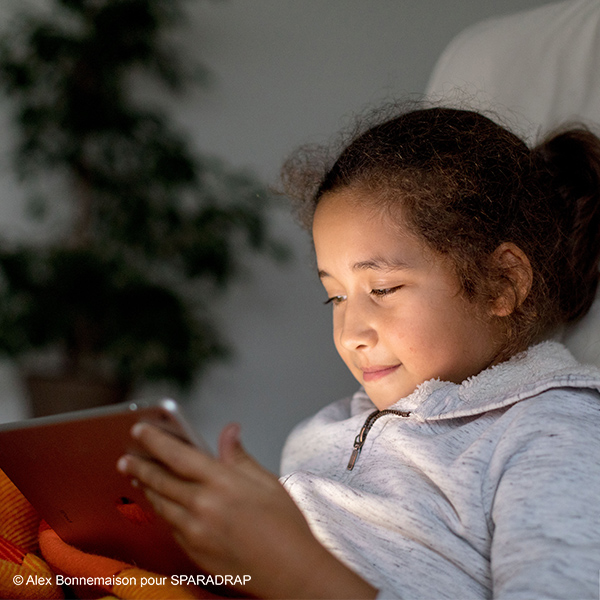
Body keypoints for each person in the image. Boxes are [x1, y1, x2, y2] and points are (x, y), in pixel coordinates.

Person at [117, 105, 600, 599]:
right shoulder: (319, 433)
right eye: (336, 296)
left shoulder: (552, 431)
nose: (350, 333)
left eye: (384, 289)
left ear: (502, 284)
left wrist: (296, 572)